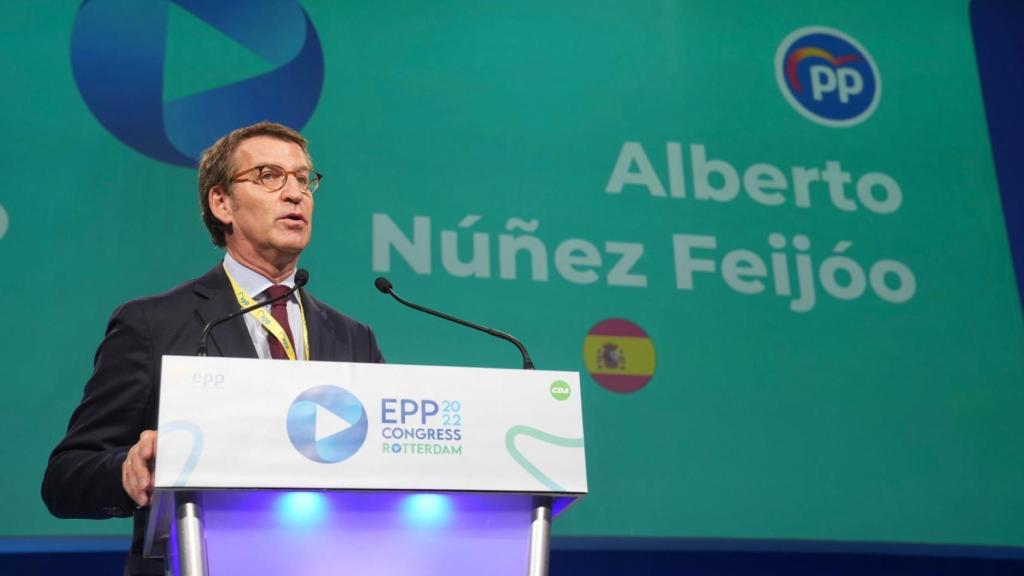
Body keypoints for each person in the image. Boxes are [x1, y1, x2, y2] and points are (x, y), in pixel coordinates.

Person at [41, 121, 384, 576]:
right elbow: (66, 477)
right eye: (268, 176)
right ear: (221, 203)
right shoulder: (153, 324)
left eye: (304, 179)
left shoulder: (353, 337)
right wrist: (129, 468)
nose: (295, 193)